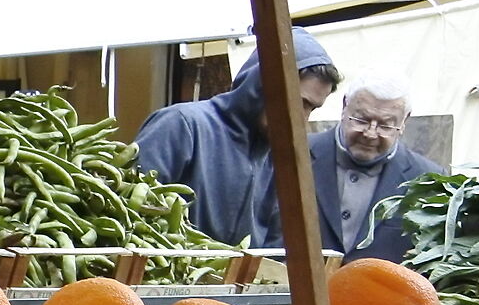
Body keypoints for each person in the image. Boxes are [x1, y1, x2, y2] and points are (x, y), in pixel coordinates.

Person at [134, 25, 341, 245]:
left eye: (312, 108)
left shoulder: (281, 159)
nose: (303, 118)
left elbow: (278, 252)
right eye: (299, 102)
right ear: (262, 84)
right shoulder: (181, 125)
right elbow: (129, 215)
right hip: (160, 276)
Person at [250, 78, 442, 261]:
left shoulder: (428, 181)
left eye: (385, 125)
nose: (370, 133)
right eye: (361, 119)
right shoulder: (289, 155)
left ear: (404, 121)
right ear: (344, 106)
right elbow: (257, 233)